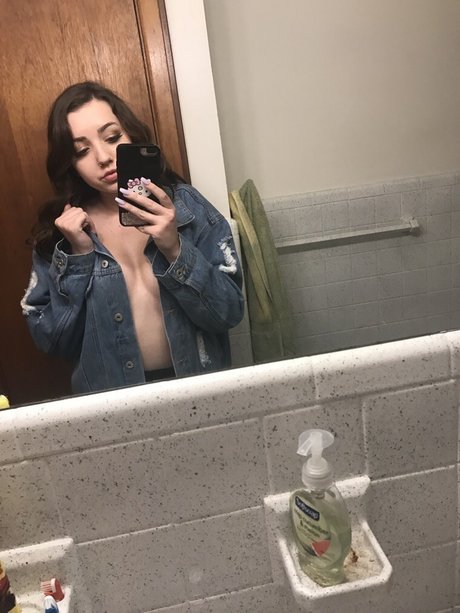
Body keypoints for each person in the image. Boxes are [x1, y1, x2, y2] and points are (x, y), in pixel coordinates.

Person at [21, 81, 244, 394]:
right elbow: (52, 341)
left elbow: (229, 313)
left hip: (197, 392)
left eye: (112, 137)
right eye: (81, 150)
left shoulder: (187, 208)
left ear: (132, 136)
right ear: (70, 163)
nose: (103, 157)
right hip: (111, 405)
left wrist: (175, 249)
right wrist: (79, 258)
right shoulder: (62, 234)